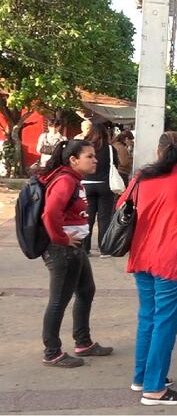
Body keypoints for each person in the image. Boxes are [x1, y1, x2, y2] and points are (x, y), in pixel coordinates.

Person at [117, 131, 177, 406]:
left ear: (159, 152)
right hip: (173, 262)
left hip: (142, 257)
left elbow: (121, 206)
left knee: (148, 316)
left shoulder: (140, 179)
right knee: (165, 323)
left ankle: (142, 378)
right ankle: (154, 388)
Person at [39, 139, 113, 367]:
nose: (95, 159)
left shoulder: (73, 179)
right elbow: (50, 213)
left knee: (86, 290)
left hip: (75, 248)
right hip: (63, 250)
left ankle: (83, 342)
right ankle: (52, 352)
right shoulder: (65, 181)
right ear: (73, 160)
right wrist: (61, 239)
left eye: (94, 155)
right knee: (58, 300)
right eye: (89, 156)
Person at [81, 123, 120, 257]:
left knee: (88, 217)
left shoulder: (85, 148)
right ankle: (104, 249)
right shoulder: (110, 149)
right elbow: (116, 165)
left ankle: (85, 249)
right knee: (104, 219)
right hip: (105, 186)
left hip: (86, 185)